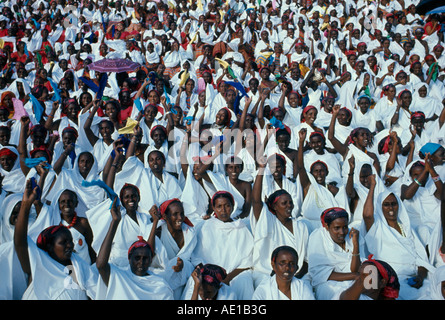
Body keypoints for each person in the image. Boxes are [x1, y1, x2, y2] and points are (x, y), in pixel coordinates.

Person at [13, 179, 97, 300]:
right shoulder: (41, 264)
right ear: (50, 247)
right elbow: (20, 243)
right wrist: (26, 206)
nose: (70, 246)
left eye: (70, 241)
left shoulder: (79, 266)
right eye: (63, 242)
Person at [362, 174, 435, 300]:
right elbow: (368, 215)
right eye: (386, 204)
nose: (390, 208)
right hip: (392, 280)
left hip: (415, 279)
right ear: (380, 207)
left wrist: (420, 277)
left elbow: (420, 258)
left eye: (394, 204)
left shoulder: (406, 227)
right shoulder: (377, 228)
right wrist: (373, 186)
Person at [95, 197, 174, 300]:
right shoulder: (120, 276)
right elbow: (101, 265)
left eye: (145, 258)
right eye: (137, 258)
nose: (141, 262)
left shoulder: (160, 286)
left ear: (151, 260)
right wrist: (114, 222)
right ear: (129, 258)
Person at [250, 158, 309, 287]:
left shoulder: (300, 226)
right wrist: (261, 169)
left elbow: (305, 261)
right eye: (284, 203)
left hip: (295, 274)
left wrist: (294, 277)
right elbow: (256, 201)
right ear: (275, 206)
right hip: (267, 273)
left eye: (290, 202)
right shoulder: (267, 220)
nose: (289, 206)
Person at [307, 207, 362, 300]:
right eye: (337, 228)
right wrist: (354, 276)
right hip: (328, 282)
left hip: (354, 278)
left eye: (345, 227)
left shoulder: (352, 235)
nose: (342, 232)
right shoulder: (317, 237)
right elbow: (320, 273)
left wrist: (356, 245)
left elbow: (355, 269)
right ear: (327, 226)